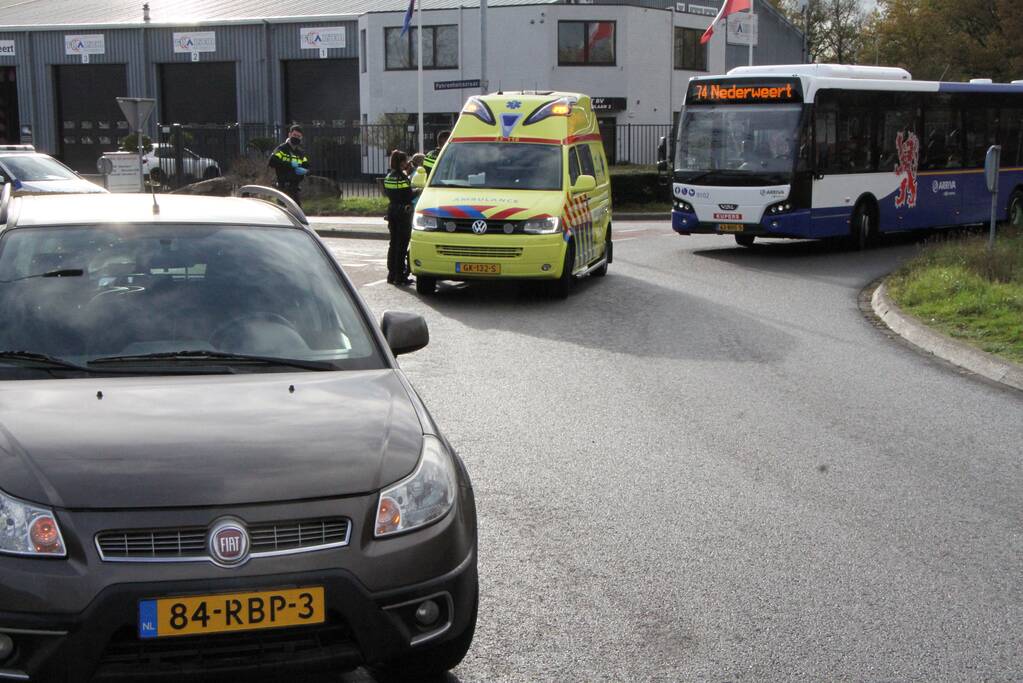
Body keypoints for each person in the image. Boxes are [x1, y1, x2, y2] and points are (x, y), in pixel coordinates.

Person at [383, 150, 415, 286]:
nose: (407, 163)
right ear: (401, 162)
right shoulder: (402, 178)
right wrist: (418, 190)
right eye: (405, 161)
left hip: (392, 211)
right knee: (402, 244)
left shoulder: (389, 176)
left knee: (393, 243)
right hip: (403, 212)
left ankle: (391, 274)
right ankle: (400, 275)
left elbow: (388, 193)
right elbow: (408, 195)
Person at [269, 124, 309, 206]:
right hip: (283, 187)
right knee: (282, 214)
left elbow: (307, 166)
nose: (296, 138)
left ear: (301, 138)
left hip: (294, 188)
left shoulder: (300, 153)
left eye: (298, 136)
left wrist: (305, 171)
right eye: (294, 135)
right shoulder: (281, 149)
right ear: (289, 134)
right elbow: (272, 162)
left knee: (298, 215)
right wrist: (290, 164)